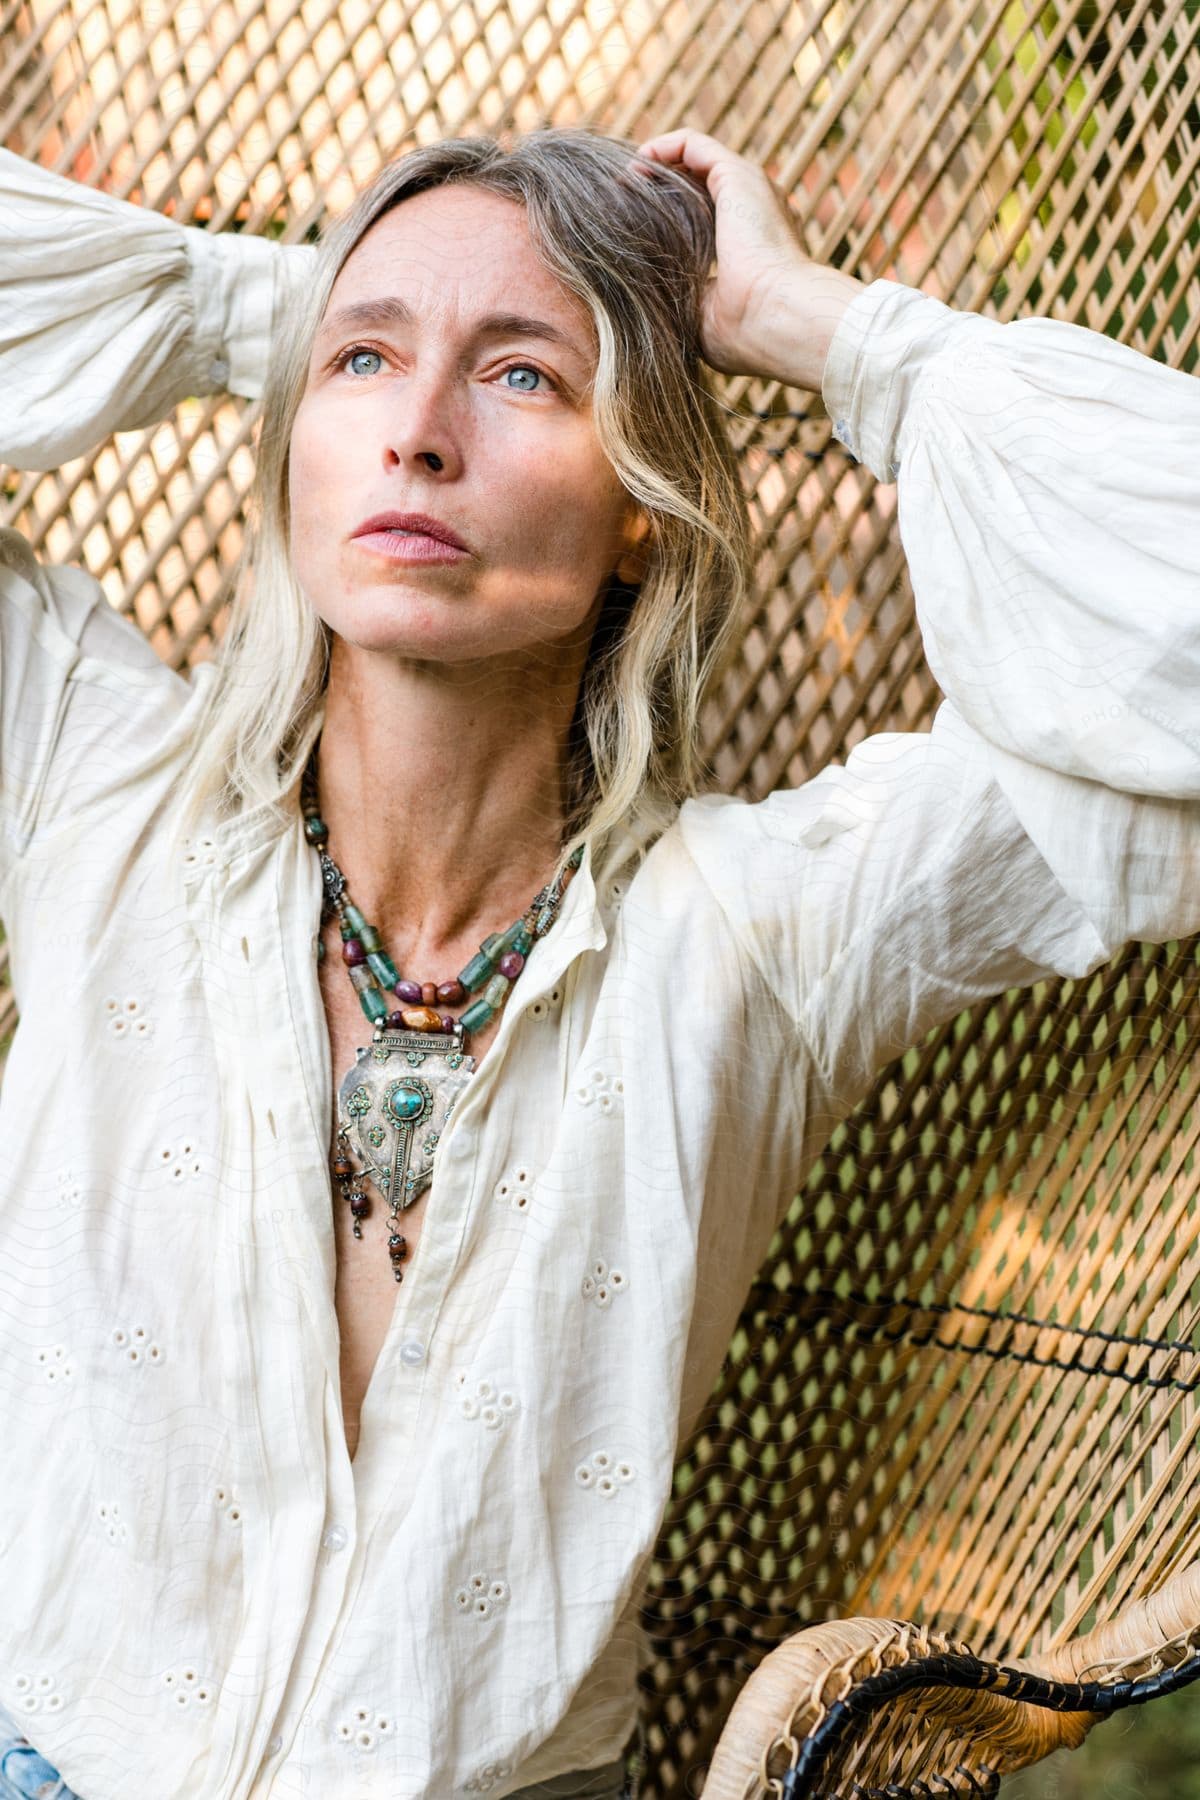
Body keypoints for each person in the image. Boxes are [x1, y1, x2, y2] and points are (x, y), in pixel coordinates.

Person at [0, 121, 1197, 1800]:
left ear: (643, 514)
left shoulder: (766, 934)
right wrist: (249, 306)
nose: (416, 436)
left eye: (524, 381)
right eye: (366, 368)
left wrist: (829, 332)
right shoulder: (83, 776)